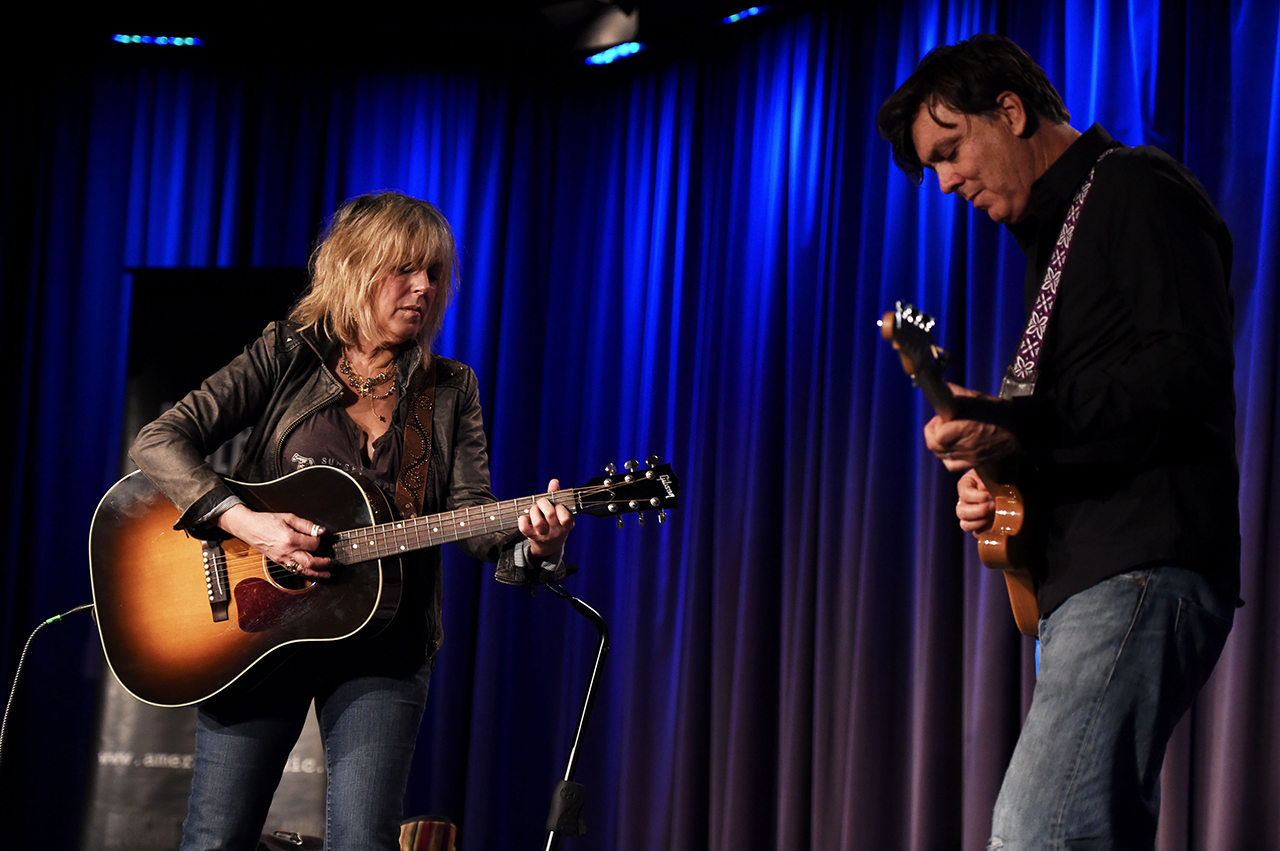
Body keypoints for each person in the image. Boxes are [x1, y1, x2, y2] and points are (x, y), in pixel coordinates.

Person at [876, 34, 1239, 850]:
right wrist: (999, 473)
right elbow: (1089, 418)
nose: (944, 182)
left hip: (1139, 564)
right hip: (1090, 583)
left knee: (1039, 834)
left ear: (1010, 110)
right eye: (931, 167)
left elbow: (1188, 367)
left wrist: (1016, 425)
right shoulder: (1057, 241)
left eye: (950, 149)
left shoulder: (1134, 189)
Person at [129, 191, 575, 851]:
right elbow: (157, 442)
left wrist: (535, 542)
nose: (423, 287)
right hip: (254, 635)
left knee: (364, 840)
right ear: (355, 268)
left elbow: (475, 520)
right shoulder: (287, 354)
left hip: (384, 650)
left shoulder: (450, 388)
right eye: (406, 269)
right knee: (217, 837)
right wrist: (250, 525)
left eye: (435, 275)